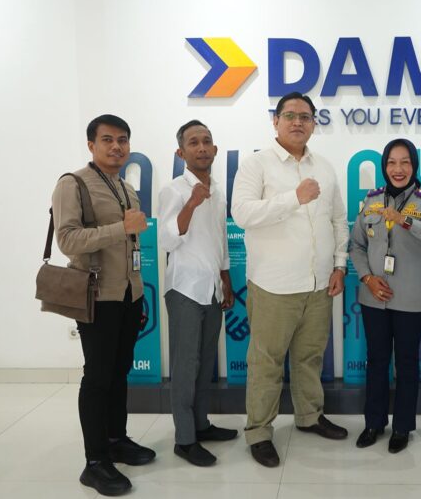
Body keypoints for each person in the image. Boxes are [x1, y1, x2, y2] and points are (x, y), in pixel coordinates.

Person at [231, 92, 350, 467]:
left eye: (305, 116)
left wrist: (340, 265)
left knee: (310, 358)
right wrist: (293, 199)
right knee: (266, 362)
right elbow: (242, 214)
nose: (298, 122)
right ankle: (259, 432)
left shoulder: (325, 167)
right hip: (274, 285)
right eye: (290, 115)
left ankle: (309, 416)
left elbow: (337, 219)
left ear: (314, 123)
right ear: (276, 121)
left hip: (318, 284)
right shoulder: (256, 165)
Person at [52, 114, 156, 495]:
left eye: (123, 140)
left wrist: (138, 292)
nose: (116, 146)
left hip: (129, 295)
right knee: (97, 377)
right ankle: (95, 462)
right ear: (91, 144)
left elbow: (132, 246)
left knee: (120, 371)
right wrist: (120, 228)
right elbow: (67, 240)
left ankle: (116, 439)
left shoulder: (126, 188)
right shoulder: (73, 183)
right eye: (108, 139)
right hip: (97, 296)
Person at [349, 138, 421, 453]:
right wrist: (367, 278)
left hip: (410, 298)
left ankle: (402, 427)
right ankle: (373, 423)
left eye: (405, 162)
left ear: (413, 166)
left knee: (406, 363)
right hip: (374, 296)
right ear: (384, 166)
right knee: (376, 361)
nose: (398, 169)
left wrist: (405, 220)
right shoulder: (371, 200)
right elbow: (356, 245)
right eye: (392, 162)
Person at [158, 120, 239, 467]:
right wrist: (190, 204)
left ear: (215, 149)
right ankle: (184, 439)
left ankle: (201, 425)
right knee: (185, 365)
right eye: (193, 142)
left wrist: (226, 277)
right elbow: (166, 240)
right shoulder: (173, 190)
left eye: (207, 141)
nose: (202, 147)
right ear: (181, 152)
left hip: (212, 288)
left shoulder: (217, 190)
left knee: (205, 362)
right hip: (185, 288)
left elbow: (219, 238)